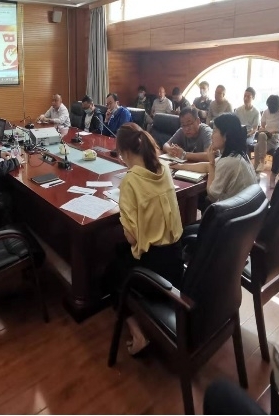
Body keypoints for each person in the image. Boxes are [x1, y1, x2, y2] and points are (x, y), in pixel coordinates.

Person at [106, 122, 184, 355]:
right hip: (176, 263)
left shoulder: (130, 181)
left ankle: (138, 334)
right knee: (120, 254)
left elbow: (131, 239)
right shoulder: (164, 168)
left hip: (153, 272)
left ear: (124, 152)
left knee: (111, 274)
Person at [170, 113, 257, 210]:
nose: (211, 136)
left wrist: (211, 163)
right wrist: (179, 166)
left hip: (236, 215)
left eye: (215, 131)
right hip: (247, 212)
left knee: (197, 200)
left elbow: (212, 195)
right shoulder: (237, 155)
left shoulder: (229, 162)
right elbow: (206, 166)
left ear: (225, 136)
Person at [253, 95, 279, 173]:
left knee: (257, 147)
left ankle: (257, 170)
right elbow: (262, 126)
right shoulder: (266, 112)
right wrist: (262, 129)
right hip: (265, 137)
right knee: (262, 134)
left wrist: (273, 131)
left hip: (275, 138)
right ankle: (261, 164)